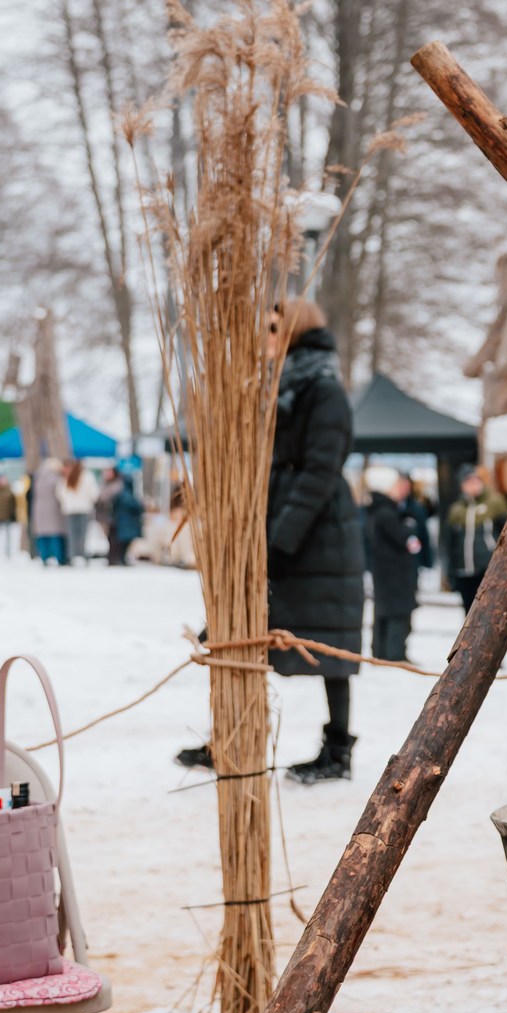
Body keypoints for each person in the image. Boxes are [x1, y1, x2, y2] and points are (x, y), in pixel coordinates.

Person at [182, 298, 366, 784]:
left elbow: (319, 470)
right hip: (276, 522)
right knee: (243, 629)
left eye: (272, 327)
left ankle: (338, 750)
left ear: (294, 329)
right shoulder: (275, 384)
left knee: (331, 643)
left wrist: (282, 540)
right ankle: (231, 735)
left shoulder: (322, 388)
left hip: (315, 531)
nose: (263, 336)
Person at [368, 470, 421, 663]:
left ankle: (382, 653)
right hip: (395, 574)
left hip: (385, 573)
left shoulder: (378, 511)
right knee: (397, 613)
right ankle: (393, 654)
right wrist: (410, 526)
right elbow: (409, 541)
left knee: (384, 612)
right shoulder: (387, 514)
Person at [442, 468, 507, 615]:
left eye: (475, 481)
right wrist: (450, 570)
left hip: (486, 567)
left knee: (489, 611)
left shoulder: (494, 503)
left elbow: (506, 533)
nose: (473, 486)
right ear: (462, 486)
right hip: (464, 569)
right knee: (469, 612)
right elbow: (449, 542)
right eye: (468, 482)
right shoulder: (456, 510)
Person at [29, 457, 68, 565]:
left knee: (43, 536)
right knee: (55, 535)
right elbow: (61, 494)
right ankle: (59, 558)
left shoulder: (38, 478)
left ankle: (44, 557)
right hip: (54, 510)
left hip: (39, 510)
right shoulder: (57, 478)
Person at [60, 460, 98, 564]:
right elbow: (94, 493)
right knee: (83, 534)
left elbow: (60, 493)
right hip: (84, 508)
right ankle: (83, 555)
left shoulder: (67, 476)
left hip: (70, 509)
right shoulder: (87, 476)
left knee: (72, 534)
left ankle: (72, 556)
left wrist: (66, 503)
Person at [105, 467, 143, 566]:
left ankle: (119, 559)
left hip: (122, 523)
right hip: (126, 524)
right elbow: (136, 507)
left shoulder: (120, 492)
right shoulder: (127, 495)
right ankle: (120, 559)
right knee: (123, 544)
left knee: (121, 544)